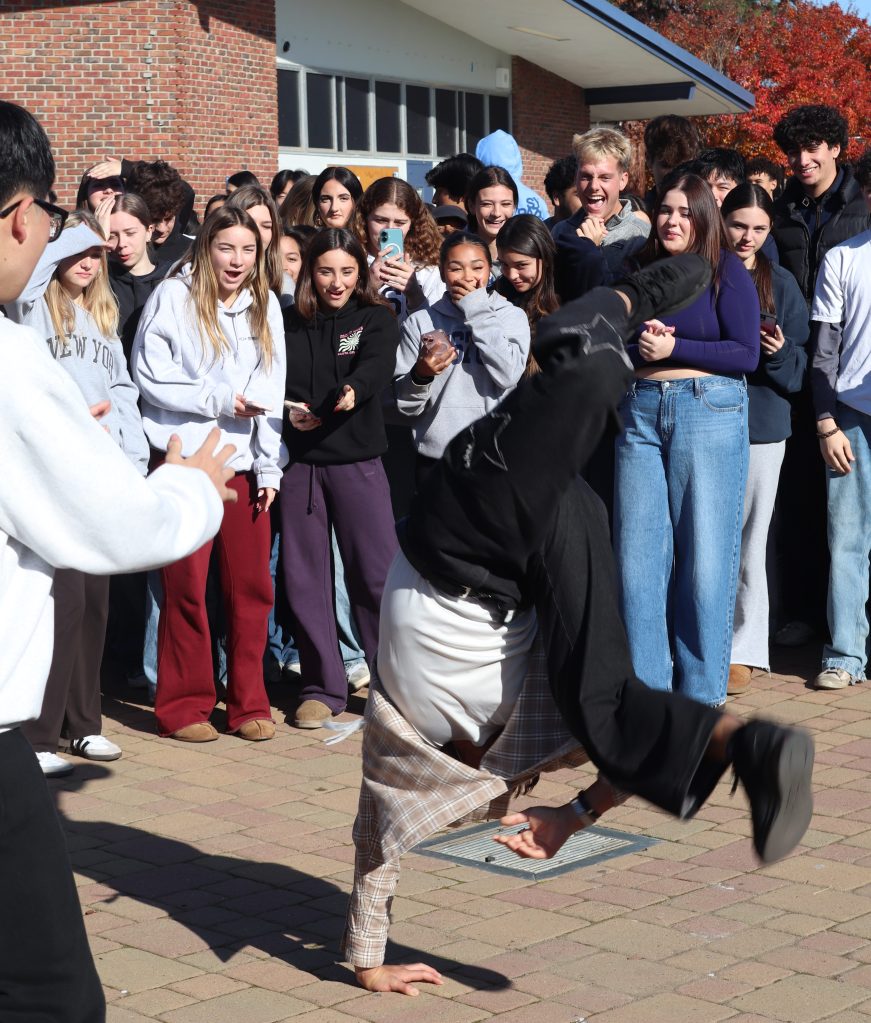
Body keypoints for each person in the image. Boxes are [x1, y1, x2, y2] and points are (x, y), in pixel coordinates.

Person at [344, 252, 814, 995]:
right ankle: (751, 747)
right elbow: (619, 740)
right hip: (541, 555)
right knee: (609, 701)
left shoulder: (402, 744)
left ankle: (613, 305)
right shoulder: (535, 734)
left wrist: (366, 960)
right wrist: (570, 816)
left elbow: (374, 840)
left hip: (454, 530)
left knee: (582, 383)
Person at [0, 98, 236, 1023]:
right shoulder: (12, 363)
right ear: (23, 216)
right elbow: (108, 527)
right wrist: (190, 487)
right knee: (52, 994)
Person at [131, 205, 286, 742]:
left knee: (250, 588)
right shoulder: (173, 296)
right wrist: (216, 398)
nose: (238, 260)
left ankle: (249, 704)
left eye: (248, 249)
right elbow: (149, 375)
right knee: (185, 589)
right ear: (206, 248)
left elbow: (271, 392)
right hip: (182, 462)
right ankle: (183, 706)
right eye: (227, 248)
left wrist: (269, 465)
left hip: (242, 468)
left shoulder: (264, 305)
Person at [7, 206, 150, 775]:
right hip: (52, 472)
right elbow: (37, 267)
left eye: (98, 255)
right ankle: (38, 734)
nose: (89, 263)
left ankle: (82, 727)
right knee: (60, 604)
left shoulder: (101, 318)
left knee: (94, 604)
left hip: (101, 475)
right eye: (79, 253)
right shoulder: (30, 308)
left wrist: (133, 462)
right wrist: (81, 229)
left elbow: (123, 393)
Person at [613, 172, 760, 708]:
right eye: (666, 210)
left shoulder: (725, 271)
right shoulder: (636, 269)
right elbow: (614, 344)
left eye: (685, 212)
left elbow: (746, 354)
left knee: (704, 566)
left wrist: (672, 348)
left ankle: (700, 706)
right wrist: (639, 352)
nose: (673, 221)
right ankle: (651, 704)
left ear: (703, 217)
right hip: (639, 413)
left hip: (708, 410)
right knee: (637, 568)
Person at [281, 228, 399, 729]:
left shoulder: (376, 317)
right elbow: (272, 377)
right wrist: (289, 413)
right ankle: (321, 685)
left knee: (376, 577)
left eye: (347, 271)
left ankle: (392, 687)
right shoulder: (287, 320)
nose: (336, 283)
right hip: (301, 466)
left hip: (358, 464)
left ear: (361, 270)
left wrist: (351, 390)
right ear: (310, 271)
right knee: (305, 579)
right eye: (326, 271)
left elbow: (374, 368)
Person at [770, 104, 869, 648]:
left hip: (848, 372)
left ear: (835, 148)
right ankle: (806, 613)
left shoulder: (861, 207)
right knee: (802, 498)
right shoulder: (781, 210)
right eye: (794, 150)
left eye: (813, 148)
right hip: (794, 367)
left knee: (851, 510)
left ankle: (852, 625)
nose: (802, 159)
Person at [720, 184, 809, 696]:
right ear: (721, 220)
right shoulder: (701, 272)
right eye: (738, 225)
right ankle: (705, 638)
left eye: (758, 229)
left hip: (762, 426)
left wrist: (774, 351)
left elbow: (799, 372)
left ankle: (746, 649)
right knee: (708, 538)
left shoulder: (782, 284)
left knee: (752, 540)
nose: (747, 237)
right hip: (702, 417)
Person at [393, 231, 530, 485]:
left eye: (477, 267)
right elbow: (406, 406)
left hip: (493, 454)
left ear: (490, 270)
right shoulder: (421, 322)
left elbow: (508, 374)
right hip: (436, 458)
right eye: (456, 268)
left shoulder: (511, 317)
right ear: (443, 273)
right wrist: (420, 375)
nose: (467, 277)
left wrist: (476, 309)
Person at [808, 149, 871, 689]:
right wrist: (826, 422)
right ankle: (846, 653)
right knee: (847, 539)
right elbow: (824, 352)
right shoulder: (844, 259)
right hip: (852, 417)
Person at [552, 128, 650, 300]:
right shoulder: (560, 231)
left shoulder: (640, 235)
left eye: (605, 177)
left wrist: (588, 251)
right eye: (586, 176)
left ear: (622, 180)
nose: (594, 186)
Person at [356, 176, 444, 322]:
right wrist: (368, 287)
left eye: (400, 223)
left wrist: (414, 294)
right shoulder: (350, 260)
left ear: (413, 224)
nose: (389, 229)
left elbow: (436, 329)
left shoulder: (427, 267)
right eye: (380, 220)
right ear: (365, 218)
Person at [107, 192, 172, 359]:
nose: (122, 244)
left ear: (149, 231)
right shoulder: (100, 280)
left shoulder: (172, 279)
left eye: (130, 233)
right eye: (112, 236)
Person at [493, 213, 559, 376]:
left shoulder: (565, 297)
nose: (511, 274)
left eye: (521, 265)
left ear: (545, 258)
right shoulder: (497, 294)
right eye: (504, 264)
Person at [225, 182, 284, 294]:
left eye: (266, 226)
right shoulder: (189, 282)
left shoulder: (283, 285)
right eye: (249, 224)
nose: (258, 233)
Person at [475, 130, 549, 219]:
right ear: (516, 157)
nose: (497, 213)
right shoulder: (537, 200)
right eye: (487, 204)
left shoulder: (479, 198)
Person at [465, 165, 517, 277]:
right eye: (487, 204)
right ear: (471, 205)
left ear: (514, 206)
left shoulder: (528, 249)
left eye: (505, 204)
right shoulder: (455, 250)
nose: (496, 213)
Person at [643, 114, 701, 208]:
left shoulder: (709, 211)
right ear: (648, 159)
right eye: (666, 165)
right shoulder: (637, 216)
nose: (676, 174)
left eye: (683, 166)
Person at [312, 166, 363, 230]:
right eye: (326, 199)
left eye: (343, 198)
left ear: (356, 201)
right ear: (317, 203)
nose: (334, 208)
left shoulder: (371, 238)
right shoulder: (308, 239)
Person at [543, 154, 580, 227]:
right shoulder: (538, 236)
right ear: (556, 197)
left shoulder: (601, 234)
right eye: (580, 195)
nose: (588, 202)